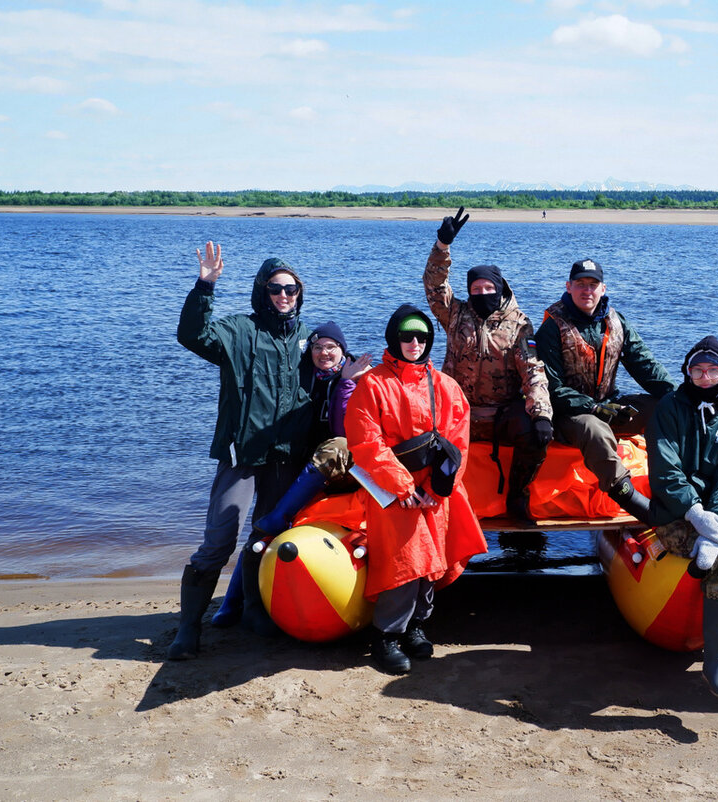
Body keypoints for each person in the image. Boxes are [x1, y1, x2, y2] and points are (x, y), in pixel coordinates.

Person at [169, 242, 313, 660]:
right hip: (242, 455)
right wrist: (205, 286)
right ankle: (188, 628)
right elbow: (192, 335)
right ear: (261, 291)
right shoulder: (238, 331)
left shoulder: (308, 339)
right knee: (219, 539)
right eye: (275, 288)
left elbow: (340, 373)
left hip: (286, 458)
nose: (283, 295)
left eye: (291, 289)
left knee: (268, 536)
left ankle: (255, 609)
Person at [344, 305, 487, 675]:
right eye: (406, 336)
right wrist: (402, 486)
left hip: (433, 490)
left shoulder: (445, 386)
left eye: (421, 336)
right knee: (404, 561)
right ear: (394, 338)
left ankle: (416, 626)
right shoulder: (372, 384)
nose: (413, 342)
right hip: (392, 490)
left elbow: (458, 443)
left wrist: (440, 489)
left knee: (432, 559)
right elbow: (366, 443)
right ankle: (386, 635)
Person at [210, 322, 372, 627]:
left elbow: (343, 432)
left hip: (347, 464)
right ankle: (234, 602)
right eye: (317, 347)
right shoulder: (305, 379)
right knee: (262, 531)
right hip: (310, 466)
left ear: (342, 350)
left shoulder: (358, 377)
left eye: (331, 347)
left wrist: (347, 384)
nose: (324, 353)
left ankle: (280, 518)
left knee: (337, 445)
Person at [645, 337, 718, 701]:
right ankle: (715, 663)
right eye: (697, 370)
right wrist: (694, 512)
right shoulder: (669, 408)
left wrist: (715, 526)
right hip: (674, 514)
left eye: (713, 370)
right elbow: (665, 469)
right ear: (687, 372)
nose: (705, 377)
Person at [423, 207, 554, 525]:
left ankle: (518, 497)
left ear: (500, 288)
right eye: (476, 290)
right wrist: (442, 246)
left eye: (488, 289)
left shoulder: (519, 323)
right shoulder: (455, 314)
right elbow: (434, 285)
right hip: (458, 413)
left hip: (500, 417)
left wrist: (542, 414)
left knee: (535, 433)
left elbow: (533, 369)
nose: (482, 294)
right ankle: (431, 503)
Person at [535, 258, 675, 523]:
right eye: (580, 284)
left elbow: (645, 365)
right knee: (594, 428)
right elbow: (550, 387)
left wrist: (679, 396)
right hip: (567, 415)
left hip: (609, 406)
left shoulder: (616, 321)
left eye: (592, 284)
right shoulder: (552, 326)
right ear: (568, 286)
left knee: (666, 407)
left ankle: (673, 485)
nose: (586, 290)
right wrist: (593, 407)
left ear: (603, 288)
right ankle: (631, 499)